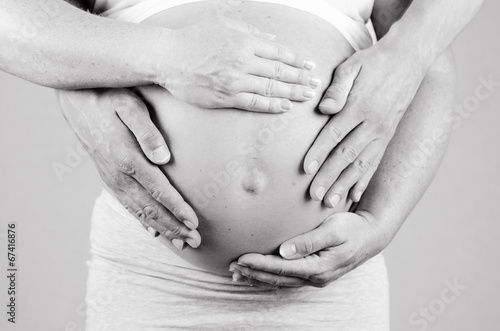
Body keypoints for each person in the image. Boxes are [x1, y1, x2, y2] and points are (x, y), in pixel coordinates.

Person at [0, 0, 484, 329]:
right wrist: (166, 56)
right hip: (153, 273)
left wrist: (380, 224)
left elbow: (428, 65)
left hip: (327, 289)